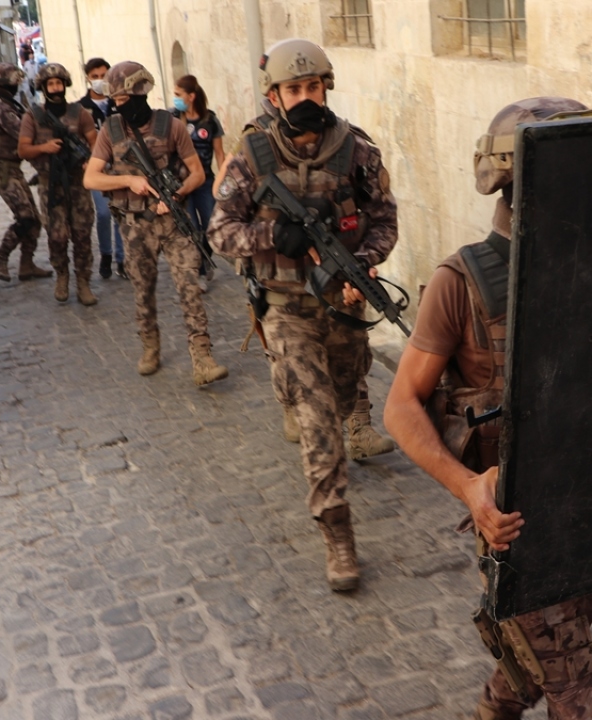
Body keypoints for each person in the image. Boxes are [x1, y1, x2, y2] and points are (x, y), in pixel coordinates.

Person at [382, 98, 592, 720]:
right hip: (520, 528)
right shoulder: (461, 282)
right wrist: (469, 488)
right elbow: (401, 405)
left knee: (537, 662)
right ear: (518, 182)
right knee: (576, 687)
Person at [208, 38, 397, 592]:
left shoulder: (356, 150)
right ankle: (338, 536)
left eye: (313, 85)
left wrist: (363, 264)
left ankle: (291, 392)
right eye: (294, 88)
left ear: (326, 87)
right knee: (320, 427)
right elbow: (220, 231)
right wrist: (275, 236)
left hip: (344, 305)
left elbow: (385, 220)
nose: (306, 96)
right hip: (287, 309)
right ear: (275, 95)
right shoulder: (253, 155)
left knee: (344, 396)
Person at [83, 61, 229, 386]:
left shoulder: (171, 126)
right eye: (115, 100)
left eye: (123, 99)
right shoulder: (110, 130)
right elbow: (91, 178)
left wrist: (175, 195)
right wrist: (128, 181)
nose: (118, 105)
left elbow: (198, 173)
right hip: (135, 225)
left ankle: (202, 356)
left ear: (140, 94)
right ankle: (150, 346)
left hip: (174, 222)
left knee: (189, 286)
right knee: (142, 288)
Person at [18, 63, 97, 305]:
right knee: (57, 236)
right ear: (43, 88)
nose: (55, 88)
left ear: (65, 85)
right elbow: (23, 149)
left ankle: (83, 281)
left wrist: (91, 162)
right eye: (50, 84)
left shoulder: (80, 113)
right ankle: (62, 275)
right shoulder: (33, 116)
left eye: (58, 83)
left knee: (82, 234)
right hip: (50, 184)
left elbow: (96, 143)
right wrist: (45, 148)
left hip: (77, 184)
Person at [0, 62, 52, 283]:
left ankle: (26, 265)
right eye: (15, 82)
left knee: (34, 220)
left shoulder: (5, 103)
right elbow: (22, 133)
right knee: (25, 217)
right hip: (2, 170)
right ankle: (0, 258)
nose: (17, 85)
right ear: (5, 83)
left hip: (11, 168)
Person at [172, 75, 223, 284]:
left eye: (178, 94)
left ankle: (206, 259)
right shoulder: (173, 118)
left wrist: (223, 181)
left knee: (212, 226)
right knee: (191, 227)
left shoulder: (210, 121)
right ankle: (200, 271)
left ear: (191, 96)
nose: (175, 98)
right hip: (183, 183)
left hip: (206, 182)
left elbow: (219, 153)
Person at [79, 57, 126, 280]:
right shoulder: (81, 108)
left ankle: (122, 259)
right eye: (94, 76)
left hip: (120, 165)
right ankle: (106, 253)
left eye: (103, 76)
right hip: (97, 167)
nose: (99, 80)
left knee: (121, 212)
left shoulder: (118, 103)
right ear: (88, 78)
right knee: (105, 212)